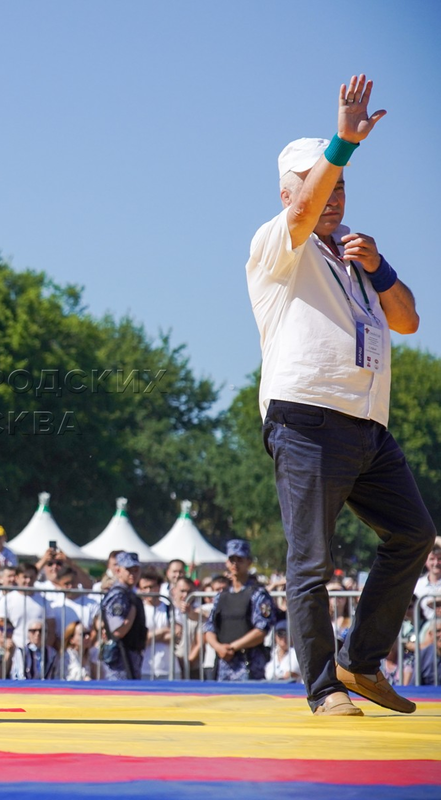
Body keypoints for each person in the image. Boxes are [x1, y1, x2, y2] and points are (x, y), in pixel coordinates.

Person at [246, 74, 434, 715]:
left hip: (366, 425)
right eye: (318, 182)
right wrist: (344, 143)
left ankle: (359, 662)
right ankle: (323, 686)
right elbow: (303, 211)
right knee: (311, 559)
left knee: (413, 534)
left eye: (339, 185)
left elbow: (407, 320)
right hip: (305, 416)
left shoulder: (357, 255)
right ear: (287, 191)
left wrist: (379, 267)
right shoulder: (277, 244)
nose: (331, 194)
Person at [203, 540, 275, 682]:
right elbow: (209, 627)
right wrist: (219, 647)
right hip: (223, 664)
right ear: (227, 563)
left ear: (248, 562)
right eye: (232, 560)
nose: (235, 564)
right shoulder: (221, 596)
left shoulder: (258, 594)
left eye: (240, 559)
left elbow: (261, 630)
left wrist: (232, 647)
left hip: (249, 663)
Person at [98, 552, 147, 680]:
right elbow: (118, 631)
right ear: (118, 570)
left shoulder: (128, 593)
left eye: (136, 570)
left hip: (130, 655)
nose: (133, 574)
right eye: (128, 570)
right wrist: (132, 612)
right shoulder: (119, 595)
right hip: (121, 658)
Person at [138, 571, 178, 680]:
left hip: (170, 668)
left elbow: (176, 634)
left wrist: (151, 636)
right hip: (145, 668)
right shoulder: (138, 610)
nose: (149, 591)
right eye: (144, 587)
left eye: (152, 587)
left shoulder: (169, 608)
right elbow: (140, 640)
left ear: (159, 587)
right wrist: (163, 631)